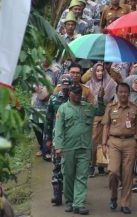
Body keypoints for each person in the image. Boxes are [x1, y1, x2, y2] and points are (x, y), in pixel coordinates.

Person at [53, 84, 105, 215]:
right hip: (68, 148)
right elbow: (58, 129)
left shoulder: (87, 107)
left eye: (79, 93)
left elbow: (100, 111)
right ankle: (70, 201)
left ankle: (79, 203)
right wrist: (58, 147)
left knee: (81, 176)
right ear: (69, 93)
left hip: (84, 147)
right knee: (69, 175)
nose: (77, 95)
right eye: (75, 93)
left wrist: (100, 98)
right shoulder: (63, 109)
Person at [102, 83, 137, 214]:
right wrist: (103, 144)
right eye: (121, 92)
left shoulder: (135, 108)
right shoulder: (110, 107)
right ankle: (114, 195)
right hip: (113, 142)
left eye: (126, 92)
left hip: (130, 142)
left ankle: (125, 203)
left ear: (129, 93)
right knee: (113, 171)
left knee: (127, 175)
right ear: (117, 93)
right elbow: (106, 126)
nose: (124, 94)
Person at [44, 74, 73, 206]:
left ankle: (71, 195)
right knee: (57, 166)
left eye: (68, 86)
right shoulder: (54, 99)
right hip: (58, 139)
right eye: (64, 86)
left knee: (71, 168)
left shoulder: (76, 99)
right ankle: (57, 195)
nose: (66, 89)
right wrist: (48, 138)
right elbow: (48, 120)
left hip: (73, 139)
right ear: (60, 85)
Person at [86, 63, 118, 177]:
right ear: (94, 72)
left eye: (102, 71)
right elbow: (87, 103)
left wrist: (103, 99)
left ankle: (102, 165)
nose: (100, 73)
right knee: (93, 143)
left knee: (105, 142)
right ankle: (91, 165)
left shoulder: (111, 83)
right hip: (93, 118)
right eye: (97, 71)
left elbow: (114, 101)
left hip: (106, 117)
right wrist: (98, 99)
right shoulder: (88, 85)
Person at [31, 59, 60, 161]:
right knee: (36, 125)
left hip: (49, 103)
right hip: (36, 102)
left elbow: (59, 85)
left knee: (47, 126)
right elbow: (30, 83)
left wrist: (51, 94)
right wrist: (34, 88)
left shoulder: (56, 70)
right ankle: (41, 146)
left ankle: (46, 150)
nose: (45, 59)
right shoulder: (36, 69)